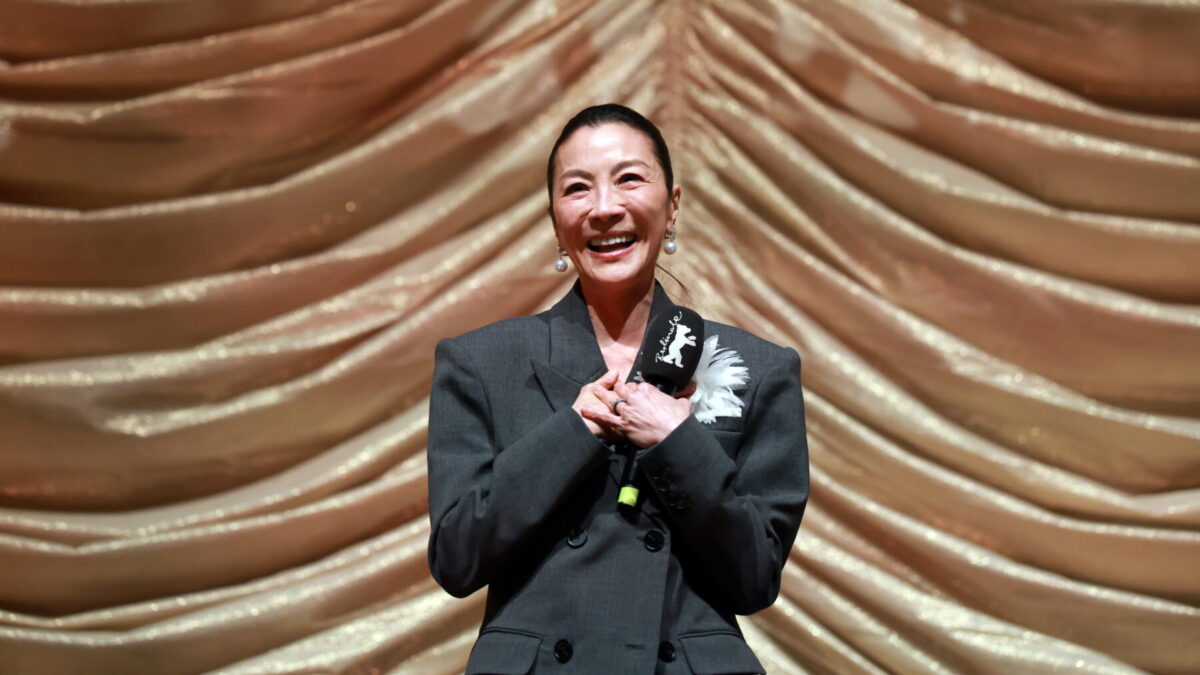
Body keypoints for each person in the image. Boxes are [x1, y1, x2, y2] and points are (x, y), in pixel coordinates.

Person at [427, 104, 809, 674]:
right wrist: (571, 432)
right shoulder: (481, 362)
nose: (605, 208)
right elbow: (456, 559)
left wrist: (678, 445)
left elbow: (756, 578)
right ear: (556, 220)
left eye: (629, 179)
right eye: (577, 189)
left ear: (672, 205)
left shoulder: (760, 367)